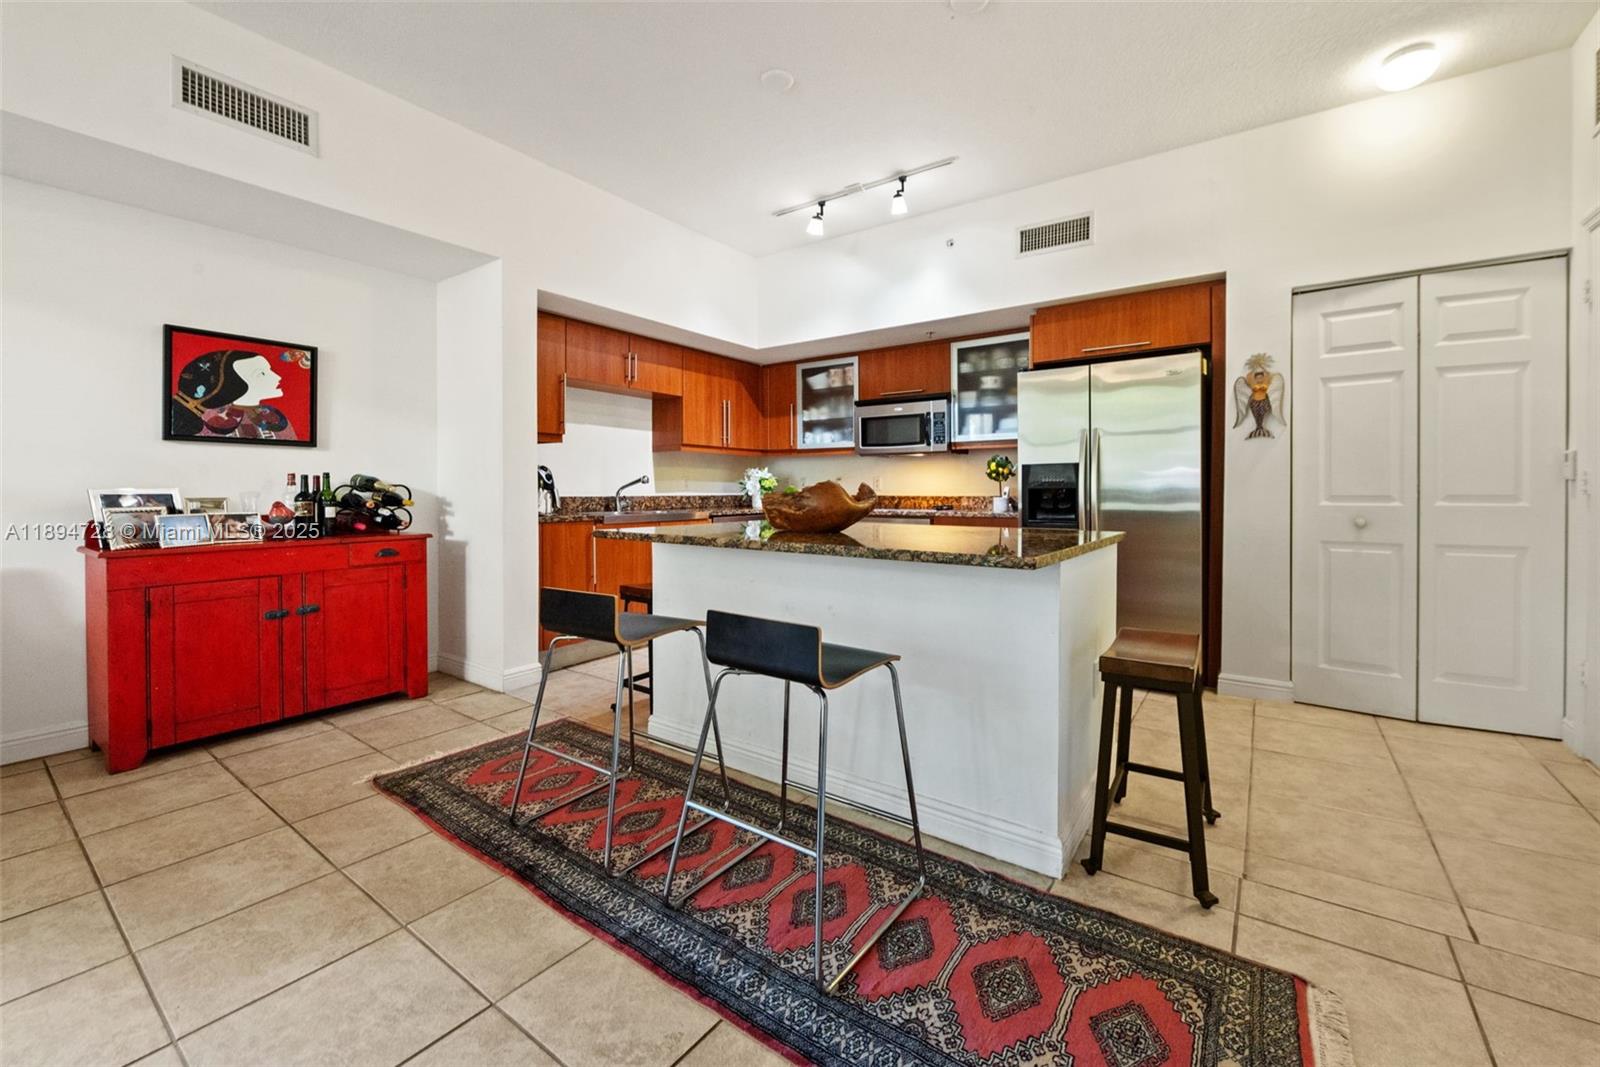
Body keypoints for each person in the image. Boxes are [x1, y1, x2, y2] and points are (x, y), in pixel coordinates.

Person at [169, 350, 298, 440]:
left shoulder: (274, 418)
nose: (277, 377)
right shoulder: (210, 422)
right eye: (262, 374)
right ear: (235, 387)